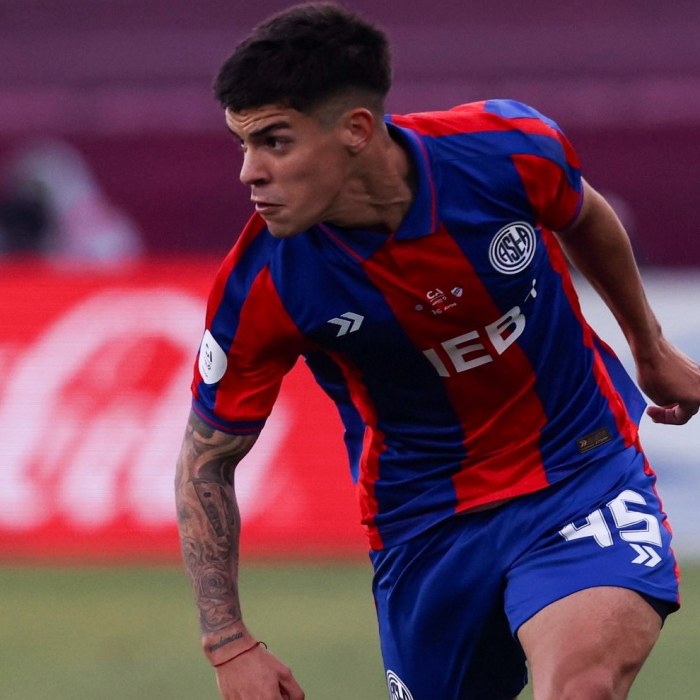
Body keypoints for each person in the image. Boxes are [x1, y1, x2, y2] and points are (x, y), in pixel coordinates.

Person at [174, 3, 700, 699]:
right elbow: (205, 463)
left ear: (357, 129)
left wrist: (649, 345)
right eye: (241, 144)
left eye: (274, 141)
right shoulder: (264, 282)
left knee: (581, 686)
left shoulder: (504, 150)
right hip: (424, 524)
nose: (250, 172)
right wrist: (228, 643)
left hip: (578, 470)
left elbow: (582, 212)